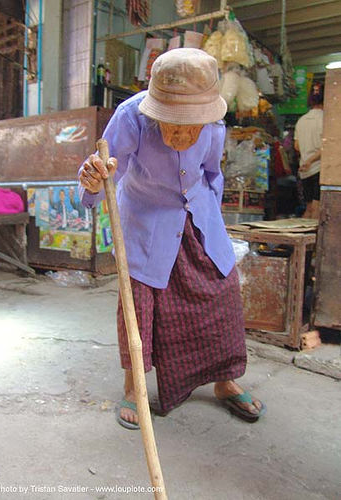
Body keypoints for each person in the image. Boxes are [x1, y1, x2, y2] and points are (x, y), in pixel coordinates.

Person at [78, 48, 266, 429]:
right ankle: (134, 387)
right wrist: (94, 180)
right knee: (141, 307)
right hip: (146, 221)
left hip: (198, 216)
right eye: (172, 123)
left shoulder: (214, 124)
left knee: (221, 294)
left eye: (189, 124)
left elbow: (212, 174)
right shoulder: (131, 117)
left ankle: (224, 381)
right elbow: (104, 172)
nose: (181, 133)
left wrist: (211, 218)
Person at [294, 92, 324, 219]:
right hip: (318, 168)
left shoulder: (301, 121)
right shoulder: (326, 119)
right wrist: (311, 160)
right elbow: (327, 147)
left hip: (304, 170)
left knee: (309, 207)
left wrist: (306, 158)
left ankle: (301, 236)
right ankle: (314, 239)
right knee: (317, 208)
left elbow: (297, 146)